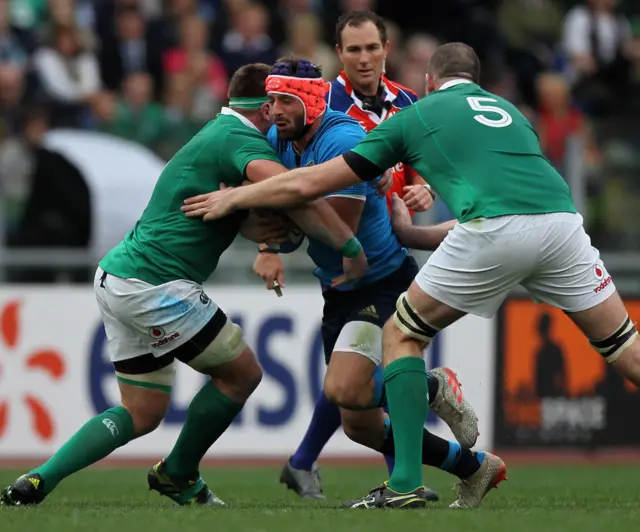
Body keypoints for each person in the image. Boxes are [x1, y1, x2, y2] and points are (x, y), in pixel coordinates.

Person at [180, 42, 640, 509]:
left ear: (429, 83)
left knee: (401, 335)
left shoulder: (415, 114)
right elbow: (511, 202)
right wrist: (405, 230)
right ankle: (471, 465)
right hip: (562, 225)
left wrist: (234, 201)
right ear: (475, 81)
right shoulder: (509, 111)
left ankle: (405, 479)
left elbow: (311, 190)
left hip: (436, 252)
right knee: (626, 350)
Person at [0, 63, 369, 508]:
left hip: (118, 275)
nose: (277, 111)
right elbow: (293, 190)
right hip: (155, 282)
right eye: (273, 102)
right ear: (261, 108)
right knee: (243, 373)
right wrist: (348, 243)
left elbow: (247, 217)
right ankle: (178, 473)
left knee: (142, 412)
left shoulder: (218, 136)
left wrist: (269, 238)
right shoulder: (240, 139)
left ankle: (38, 481)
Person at [189, 57, 490, 505]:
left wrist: (274, 223)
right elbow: (280, 214)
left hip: (380, 280)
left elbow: (337, 227)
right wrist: (269, 246)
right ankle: (476, 467)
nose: (273, 110)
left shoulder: (343, 137)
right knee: (359, 423)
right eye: (269, 100)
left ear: (311, 101)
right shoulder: (279, 137)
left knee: (342, 388)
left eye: (284, 100)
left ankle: (430, 391)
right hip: (340, 287)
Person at [254, 11, 453, 500]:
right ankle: (325, 462)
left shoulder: (408, 103)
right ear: (339, 54)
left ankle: (346, 469)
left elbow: (423, 167)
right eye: (354, 50)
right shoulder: (320, 103)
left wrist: (422, 187)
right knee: (359, 383)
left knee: (364, 377)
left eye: (372, 48)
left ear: (387, 49)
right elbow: (281, 175)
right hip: (347, 250)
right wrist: (267, 245)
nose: (364, 58)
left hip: (386, 248)